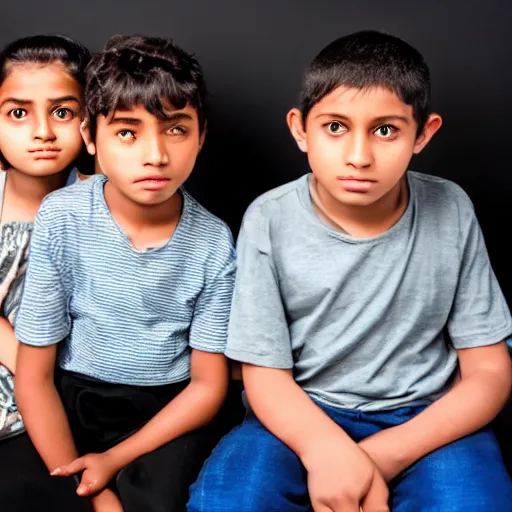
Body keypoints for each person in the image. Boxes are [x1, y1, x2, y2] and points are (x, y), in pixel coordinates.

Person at [188, 30, 512, 512]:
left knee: (473, 503)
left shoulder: (451, 207)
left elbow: (488, 371)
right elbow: (264, 376)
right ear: (300, 129)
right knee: (226, 501)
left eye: (385, 130)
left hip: (427, 417)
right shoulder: (269, 218)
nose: (359, 156)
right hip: (300, 412)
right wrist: (325, 451)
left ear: (423, 133)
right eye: (335, 127)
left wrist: (380, 457)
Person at [14, 34, 235, 512]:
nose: (154, 155)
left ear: (201, 135)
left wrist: (114, 460)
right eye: (128, 132)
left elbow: (207, 386)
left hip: (166, 412)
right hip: (73, 401)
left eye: (175, 130)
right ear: (91, 139)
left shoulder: (215, 242)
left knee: (163, 501)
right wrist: (92, 493)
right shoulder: (62, 217)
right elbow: (33, 378)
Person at [0, 34, 93, 512]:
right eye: (19, 113)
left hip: (66, 397)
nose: (42, 131)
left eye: (62, 112)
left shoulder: (105, 203)